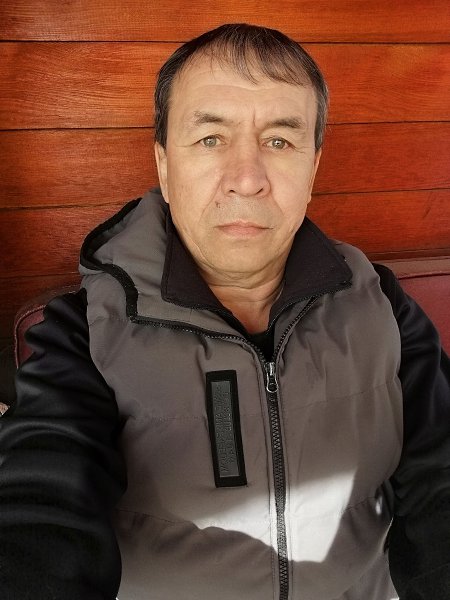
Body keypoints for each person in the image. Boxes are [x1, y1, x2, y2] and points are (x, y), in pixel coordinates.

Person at [0, 23, 449, 600]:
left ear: (313, 167)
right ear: (165, 166)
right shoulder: (83, 331)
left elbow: (440, 479)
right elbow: (41, 507)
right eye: (211, 139)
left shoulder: (382, 303)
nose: (247, 179)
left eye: (279, 141)